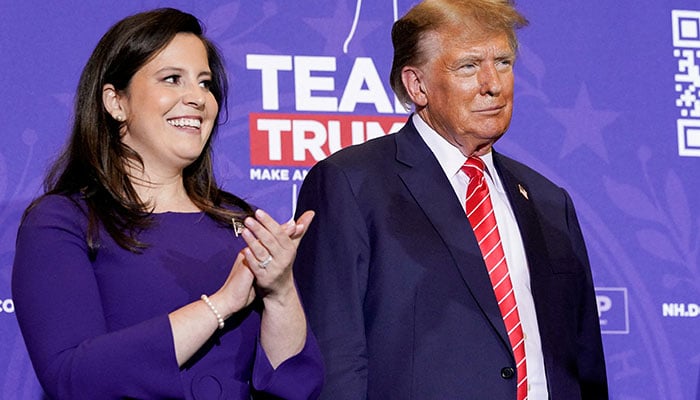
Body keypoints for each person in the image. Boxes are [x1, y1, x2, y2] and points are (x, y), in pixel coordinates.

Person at [292, 0, 608, 399]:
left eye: (504, 63)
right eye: (469, 66)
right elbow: (334, 360)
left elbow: (586, 365)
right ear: (417, 85)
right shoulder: (351, 185)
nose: (493, 83)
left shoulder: (549, 201)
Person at [12, 8, 323, 400]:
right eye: (172, 79)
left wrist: (280, 291)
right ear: (115, 102)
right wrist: (221, 305)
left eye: (205, 83)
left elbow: (295, 384)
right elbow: (73, 377)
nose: (197, 98)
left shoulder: (241, 223)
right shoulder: (63, 222)